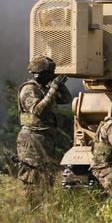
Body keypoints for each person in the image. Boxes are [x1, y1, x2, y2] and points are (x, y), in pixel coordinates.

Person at [15, 56, 70, 196]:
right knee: (32, 175)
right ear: (39, 73)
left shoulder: (44, 89)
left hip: (45, 137)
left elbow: (66, 99)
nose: (52, 75)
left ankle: (44, 206)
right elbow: (38, 110)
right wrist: (53, 89)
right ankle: (32, 206)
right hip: (32, 138)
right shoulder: (29, 89)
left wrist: (59, 85)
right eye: (49, 73)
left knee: (47, 175)